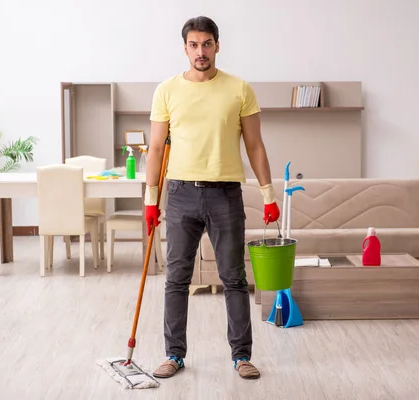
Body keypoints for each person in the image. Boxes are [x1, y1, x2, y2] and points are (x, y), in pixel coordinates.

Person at [143, 15, 280, 380]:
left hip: (225, 195)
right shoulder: (167, 90)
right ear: (184, 47)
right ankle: (174, 354)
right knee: (176, 279)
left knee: (233, 279)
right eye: (193, 44)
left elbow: (255, 145)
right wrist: (150, 200)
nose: (200, 51)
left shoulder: (240, 89)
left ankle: (241, 356)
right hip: (181, 195)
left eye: (207, 44)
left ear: (218, 45)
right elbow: (156, 148)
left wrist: (269, 194)